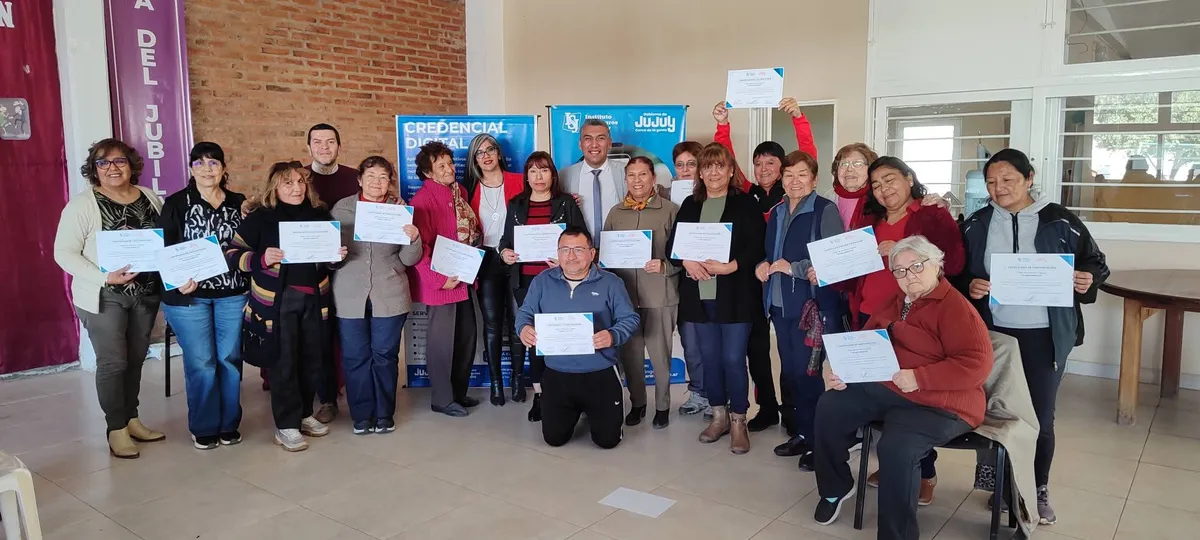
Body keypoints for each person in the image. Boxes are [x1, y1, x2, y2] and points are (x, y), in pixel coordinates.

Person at [959, 148, 1110, 525]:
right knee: (994, 412)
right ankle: (998, 485)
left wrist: (1087, 279)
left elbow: (1095, 262)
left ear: (1029, 179)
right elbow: (957, 273)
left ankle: (1038, 487)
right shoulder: (977, 223)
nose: (999, 188)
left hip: (1045, 335)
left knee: (1040, 415)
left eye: (1008, 179)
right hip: (994, 334)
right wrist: (970, 286)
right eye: (991, 182)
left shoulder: (1060, 220)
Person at [812, 236, 992, 540]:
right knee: (831, 405)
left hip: (944, 403)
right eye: (900, 271)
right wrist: (841, 370)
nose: (909, 276)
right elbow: (863, 341)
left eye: (917, 266)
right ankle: (836, 486)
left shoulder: (955, 307)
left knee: (897, 447)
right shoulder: (896, 300)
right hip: (893, 389)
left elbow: (977, 364)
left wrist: (921, 377)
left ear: (937, 265)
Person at [847, 156, 965, 502]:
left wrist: (901, 250)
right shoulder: (870, 219)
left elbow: (954, 263)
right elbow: (852, 266)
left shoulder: (930, 214)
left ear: (909, 178)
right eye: (876, 185)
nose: (883, 189)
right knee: (879, 393)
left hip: (913, 319)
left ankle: (924, 471)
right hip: (869, 315)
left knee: (913, 397)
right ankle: (892, 461)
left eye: (890, 180)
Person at [54, 138, 166, 459]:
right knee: (113, 362)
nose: (112, 168)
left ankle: (131, 418)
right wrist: (104, 277)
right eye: (103, 163)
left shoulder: (150, 197)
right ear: (94, 169)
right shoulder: (82, 205)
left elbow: (163, 237)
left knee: (136, 358)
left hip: (145, 294)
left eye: (119, 161)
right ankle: (116, 427)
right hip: (104, 295)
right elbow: (64, 252)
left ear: (131, 165)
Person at [713, 97, 819, 433]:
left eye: (770, 163)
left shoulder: (793, 195)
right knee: (757, 348)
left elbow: (808, 157)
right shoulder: (749, 192)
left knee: (793, 354)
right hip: (753, 279)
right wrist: (722, 125)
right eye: (758, 164)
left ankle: (796, 412)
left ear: (783, 167)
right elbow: (726, 157)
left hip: (788, 280)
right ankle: (768, 408)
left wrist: (798, 118)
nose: (763, 169)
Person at [226, 161, 346, 452]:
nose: (296, 188)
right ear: (274, 187)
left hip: (315, 300)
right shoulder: (260, 218)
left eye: (301, 182)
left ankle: (303, 414)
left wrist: (334, 258)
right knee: (284, 363)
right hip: (276, 303)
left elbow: (328, 262)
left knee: (312, 360)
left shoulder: (319, 215)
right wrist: (261, 259)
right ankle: (286, 425)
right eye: (288, 183)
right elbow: (231, 254)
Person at [669, 143, 767, 455]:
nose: (713, 172)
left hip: (735, 295)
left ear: (730, 170)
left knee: (733, 359)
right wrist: (686, 261)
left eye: (720, 166)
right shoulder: (690, 204)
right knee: (709, 359)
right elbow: (673, 247)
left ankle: (739, 420)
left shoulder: (745, 203)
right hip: (699, 297)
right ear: (700, 172)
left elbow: (758, 245)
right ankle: (719, 416)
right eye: (707, 166)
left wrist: (732, 266)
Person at [756, 151, 845, 469]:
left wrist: (793, 267)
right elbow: (770, 255)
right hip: (780, 306)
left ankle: (820, 443)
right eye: (789, 175)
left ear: (814, 179)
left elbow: (836, 258)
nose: (794, 181)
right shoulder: (778, 211)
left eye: (802, 174)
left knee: (809, 376)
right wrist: (762, 265)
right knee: (792, 375)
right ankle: (804, 434)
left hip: (810, 308)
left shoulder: (825, 210)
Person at [514, 226, 641, 449]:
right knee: (554, 439)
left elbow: (630, 318)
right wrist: (523, 328)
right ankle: (575, 411)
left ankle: (593, 411)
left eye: (578, 249)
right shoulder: (543, 280)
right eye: (565, 250)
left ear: (592, 253)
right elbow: (525, 312)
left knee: (607, 441)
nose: (571, 256)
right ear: (558, 252)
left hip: (600, 372)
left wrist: (613, 335)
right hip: (557, 373)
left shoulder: (611, 282)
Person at [157, 142, 249, 450]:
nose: (207, 169)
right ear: (190, 169)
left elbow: (250, 243)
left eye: (213, 163)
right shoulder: (176, 203)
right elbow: (164, 249)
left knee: (229, 360)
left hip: (233, 294)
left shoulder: (239, 203)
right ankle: (205, 425)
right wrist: (176, 281)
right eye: (199, 163)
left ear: (224, 168)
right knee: (202, 362)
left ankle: (229, 423)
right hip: (189, 298)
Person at [330, 156, 423, 435]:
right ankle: (361, 416)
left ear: (389, 181)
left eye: (383, 177)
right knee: (355, 357)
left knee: (384, 355)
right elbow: (330, 256)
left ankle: (384, 414)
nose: (376, 182)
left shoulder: (399, 210)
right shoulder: (342, 209)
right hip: (349, 294)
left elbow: (408, 259)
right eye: (370, 176)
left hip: (390, 292)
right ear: (359, 180)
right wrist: (333, 256)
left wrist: (414, 238)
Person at [499, 151, 586, 422]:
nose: (539, 177)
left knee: (563, 337)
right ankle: (540, 396)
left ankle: (569, 395)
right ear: (526, 176)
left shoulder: (566, 203)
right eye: (533, 171)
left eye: (544, 170)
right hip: (526, 284)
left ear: (552, 175)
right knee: (536, 342)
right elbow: (505, 241)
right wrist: (504, 253)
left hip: (560, 282)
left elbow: (583, 239)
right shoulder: (516, 204)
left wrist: (566, 261)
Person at [603, 157, 681, 429]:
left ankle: (663, 406)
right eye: (631, 175)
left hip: (660, 294)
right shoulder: (615, 213)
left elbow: (684, 256)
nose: (637, 181)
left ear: (653, 178)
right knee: (631, 356)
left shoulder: (670, 210)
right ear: (625, 179)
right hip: (625, 298)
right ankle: (638, 404)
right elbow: (606, 255)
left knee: (660, 356)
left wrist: (665, 266)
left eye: (643, 175)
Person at [409, 141, 481, 418]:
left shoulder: (460, 192)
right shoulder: (421, 201)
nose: (450, 168)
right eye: (441, 166)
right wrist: (439, 280)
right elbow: (420, 248)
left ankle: (458, 393)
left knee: (466, 338)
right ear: (428, 173)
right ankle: (441, 398)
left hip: (464, 277)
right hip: (442, 283)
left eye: (450, 163)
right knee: (442, 343)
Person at [464, 133, 525, 406]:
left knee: (517, 322)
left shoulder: (519, 181)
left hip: (517, 257)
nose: (486, 156)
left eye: (490, 150)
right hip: (486, 260)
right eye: (479, 152)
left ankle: (518, 380)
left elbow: (543, 199)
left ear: (499, 153)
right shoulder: (468, 189)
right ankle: (497, 384)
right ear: (474, 160)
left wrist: (568, 200)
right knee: (492, 324)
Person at [303, 122, 357, 424]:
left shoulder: (355, 178)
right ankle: (326, 399)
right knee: (321, 337)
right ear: (308, 146)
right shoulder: (298, 178)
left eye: (330, 141)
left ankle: (352, 386)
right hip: (312, 272)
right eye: (317, 142)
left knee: (349, 334)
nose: (324, 147)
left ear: (339, 145)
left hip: (352, 267)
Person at [670, 141, 710, 419]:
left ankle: (718, 396)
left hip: (718, 278)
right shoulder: (667, 196)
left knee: (715, 345)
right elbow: (672, 246)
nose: (685, 170)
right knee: (691, 343)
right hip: (685, 281)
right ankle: (697, 392)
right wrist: (685, 261)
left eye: (691, 164)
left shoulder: (720, 199)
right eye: (680, 165)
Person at [558, 119, 626, 238]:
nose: (594, 144)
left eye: (601, 138)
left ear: (609, 143)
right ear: (580, 144)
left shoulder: (626, 172)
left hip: (618, 245)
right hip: (580, 247)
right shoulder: (564, 176)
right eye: (588, 138)